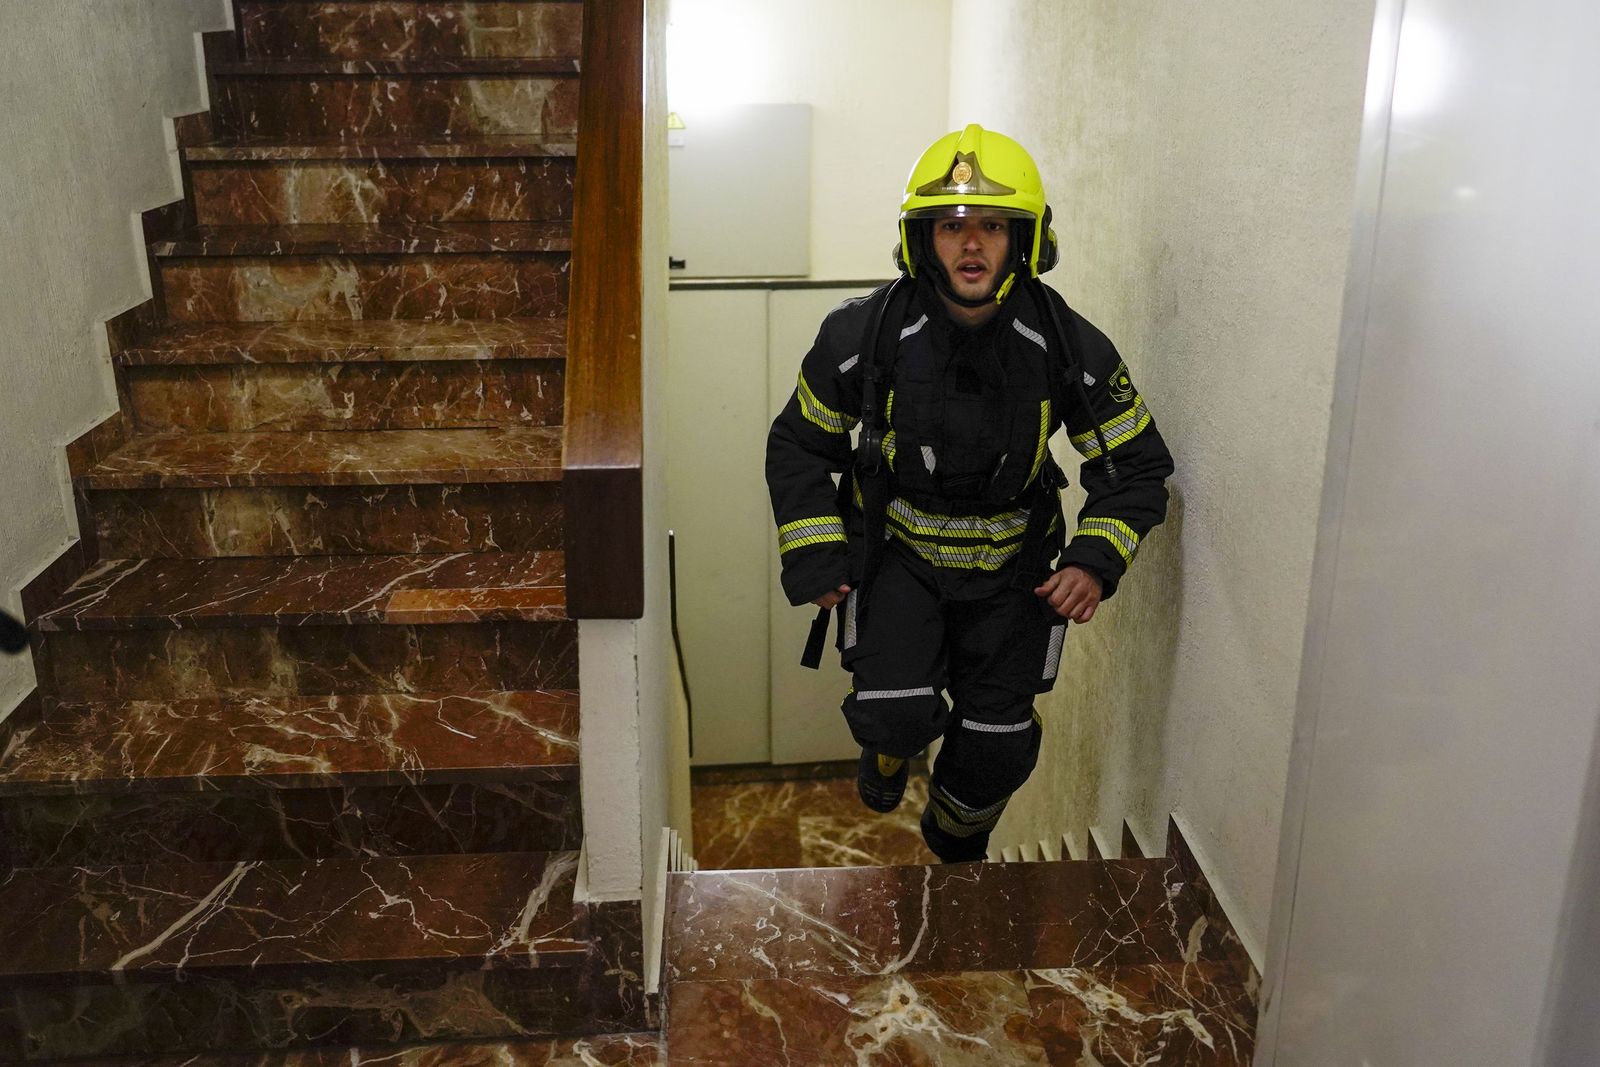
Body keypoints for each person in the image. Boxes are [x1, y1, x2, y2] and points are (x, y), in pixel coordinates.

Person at [765, 125, 1174, 863]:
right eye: (951, 226)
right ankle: (889, 752)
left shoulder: (1070, 347)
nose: (972, 244)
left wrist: (1092, 560)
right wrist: (817, 551)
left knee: (995, 748)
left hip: (1016, 572)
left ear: (1027, 239)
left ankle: (955, 847)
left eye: (993, 224)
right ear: (921, 238)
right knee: (893, 713)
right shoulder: (860, 336)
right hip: (898, 560)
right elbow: (798, 443)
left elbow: (1136, 467)